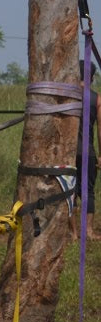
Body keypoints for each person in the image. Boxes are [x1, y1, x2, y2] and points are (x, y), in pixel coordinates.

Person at [71, 59, 101, 241]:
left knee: (70, 191)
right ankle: (88, 231)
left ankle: (73, 233)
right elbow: (100, 131)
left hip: (68, 153)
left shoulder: (68, 96)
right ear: (92, 77)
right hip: (87, 152)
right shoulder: (97, 99)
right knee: (88, 191)